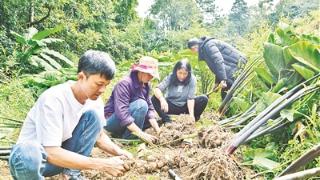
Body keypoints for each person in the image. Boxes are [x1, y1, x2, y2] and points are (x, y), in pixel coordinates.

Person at [9, 50, 132, 180]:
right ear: (81, 77)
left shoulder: (95, 101)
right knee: (29, 151)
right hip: (29, 161)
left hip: (57, 162)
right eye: (99, 84)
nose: (102, 90)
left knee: (93, 116)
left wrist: (120, 152)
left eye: (106, 85)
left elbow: (99, 137)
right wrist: (103, 164)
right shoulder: (53, 99)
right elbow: (50, 152)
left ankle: (71, 174)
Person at [104, 56, 161, 144]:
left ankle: (124, 134)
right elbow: (122, 114)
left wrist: (158, 130)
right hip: (111, 121)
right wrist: (141, 134)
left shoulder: (146, 85)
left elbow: (150, 108)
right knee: (141, 105)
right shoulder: (125, 84)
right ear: (141, 71)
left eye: (152, 75)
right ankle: (129, 138)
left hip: (127, 121)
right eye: (149, 74)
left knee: (153, 117)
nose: (151, 77)